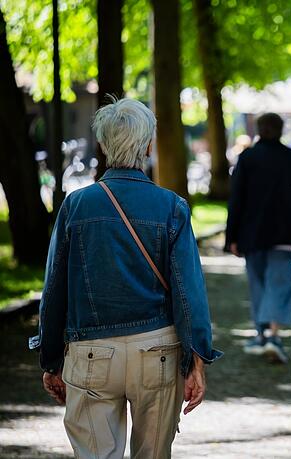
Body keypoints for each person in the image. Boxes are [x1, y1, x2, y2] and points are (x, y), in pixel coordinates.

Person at [30, 97, 222, 458]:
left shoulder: (75, 206)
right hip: (157, 352)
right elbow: (187, 293)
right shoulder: (172, 207)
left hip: (90, 352)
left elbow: (54, 288)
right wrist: (195, 360)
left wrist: (51, 359)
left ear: (102, 145)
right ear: (148, 145)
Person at [225, 113, 291, 361]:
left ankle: (261, 333)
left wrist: (231, 236)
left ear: (259, 129)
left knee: (258, 284)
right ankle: (274, 334)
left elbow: (236, 200)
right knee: (279, 284)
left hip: (252, 234)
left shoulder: (248, 158)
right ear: (280, 129)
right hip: (287, 234)